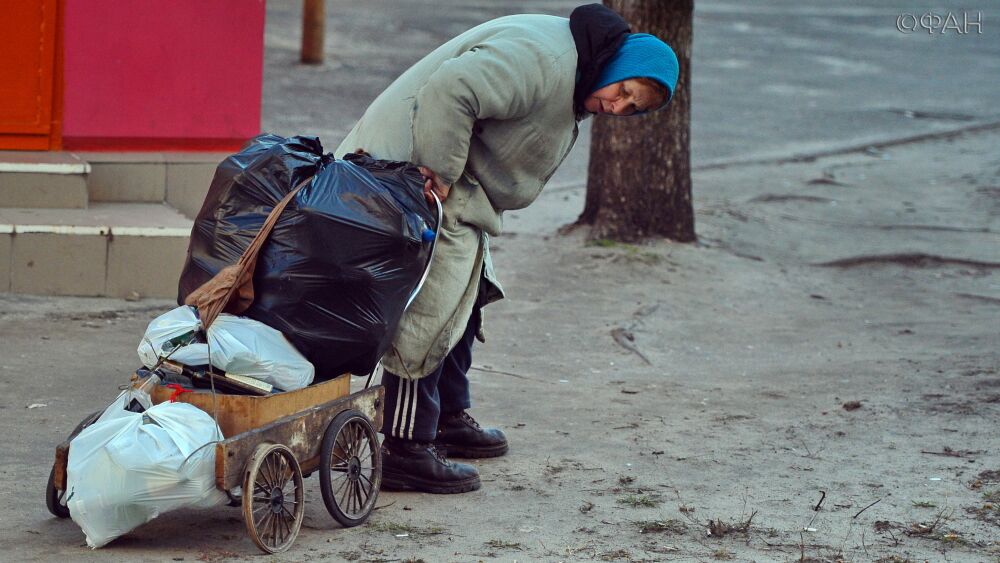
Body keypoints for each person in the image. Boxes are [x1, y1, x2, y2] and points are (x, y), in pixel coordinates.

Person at [334, 4, 679, 494]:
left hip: (452, 185)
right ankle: (405, 448)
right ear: (617, 65)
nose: (618, 108)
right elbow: (453, 89)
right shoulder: (545, 59)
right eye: (624, 92)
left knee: (468, 295)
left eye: (633, 109)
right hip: (414, 178)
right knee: (431, 314)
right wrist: (442, 170)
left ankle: (447, 417)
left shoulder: (580, 65)